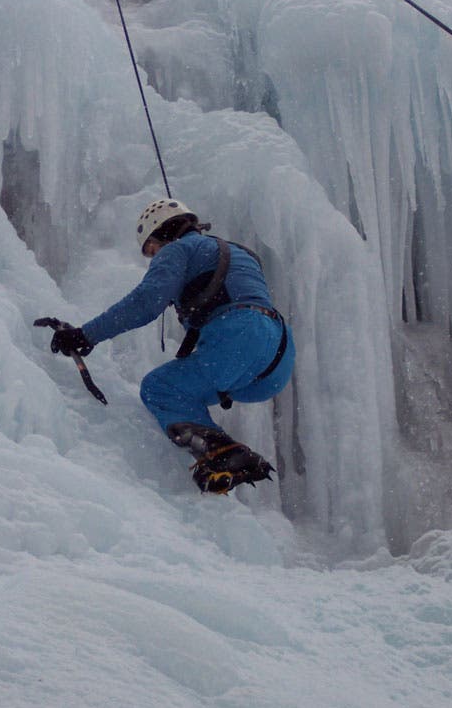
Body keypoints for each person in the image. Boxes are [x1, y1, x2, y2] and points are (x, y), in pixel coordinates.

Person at [35, 199, 295, 494]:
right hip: (276, 357)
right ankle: (222, 457)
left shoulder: (178, 250)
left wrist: (86, 335)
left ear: (163, 233)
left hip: (239, 336)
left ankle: (222, 454)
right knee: (186, 390)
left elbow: (147, 301)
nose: (154, 257)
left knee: (160, 388)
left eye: (152, 249)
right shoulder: (236, 251)